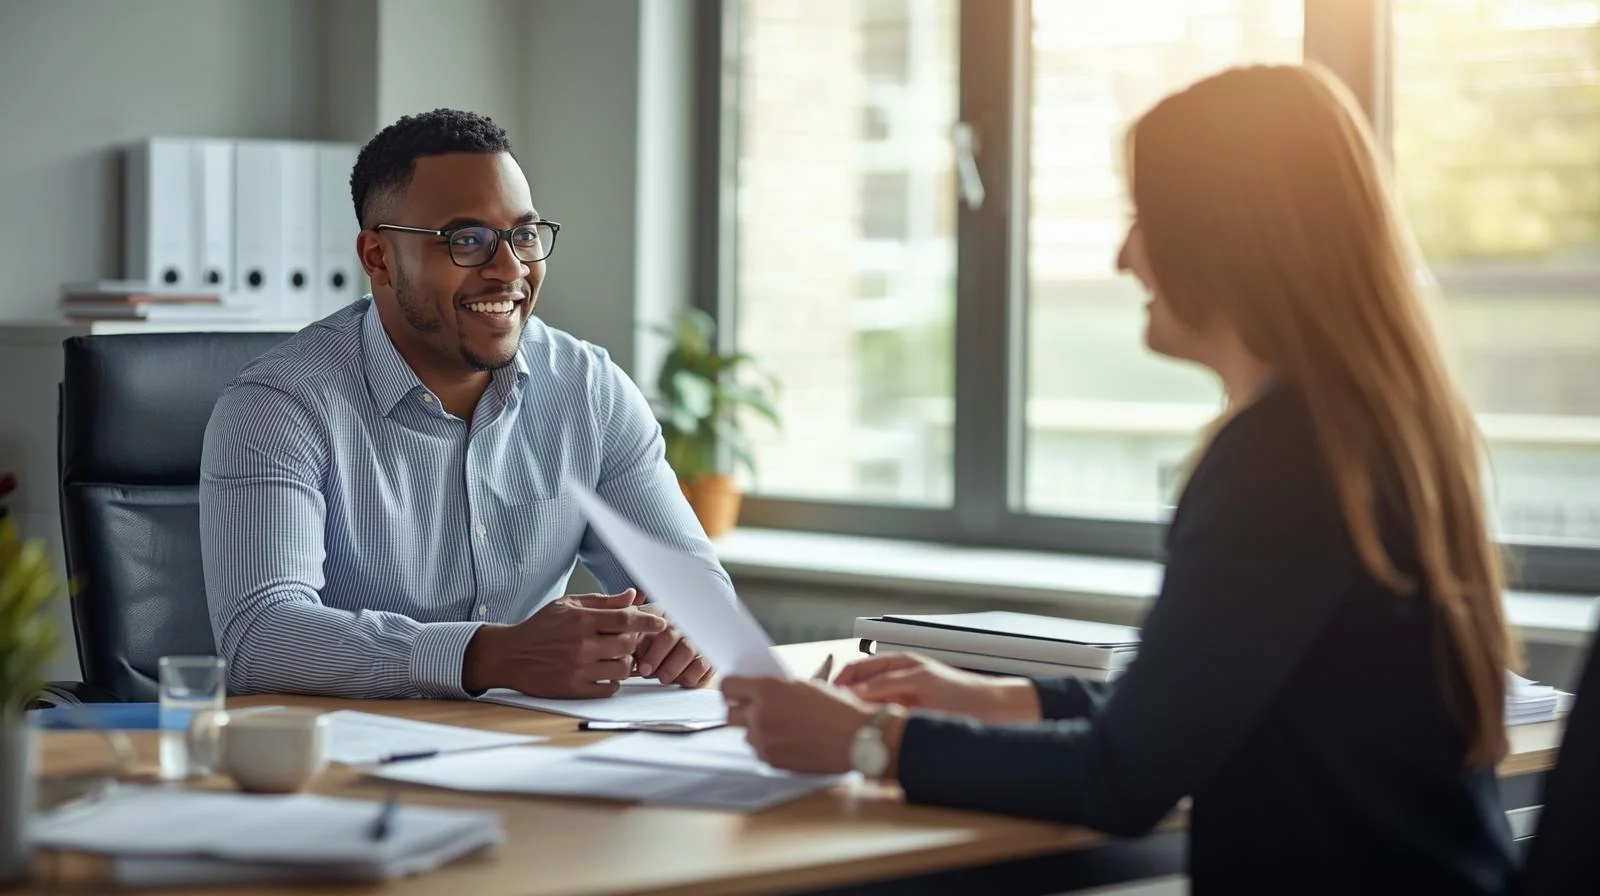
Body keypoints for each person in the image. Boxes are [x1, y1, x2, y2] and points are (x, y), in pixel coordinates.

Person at [723, 64, 1519, 894]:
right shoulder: (1359, 428)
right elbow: (1185, 706)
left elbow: (1121, 779)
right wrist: (992, 701)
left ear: (1223, 238)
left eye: (1144, 218)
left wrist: (866, 742)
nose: (1122, 256)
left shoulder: (1280, 459)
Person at [200, 109, 719, 700]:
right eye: (466, 240)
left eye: (524, 235)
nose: (510, 269)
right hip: (347, 749)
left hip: (538, 741)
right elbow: (261, 637)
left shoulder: (589, 389)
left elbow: (696, 591)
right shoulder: (279, 405)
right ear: (378, 258)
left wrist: (686, 627)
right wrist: (490, 656)